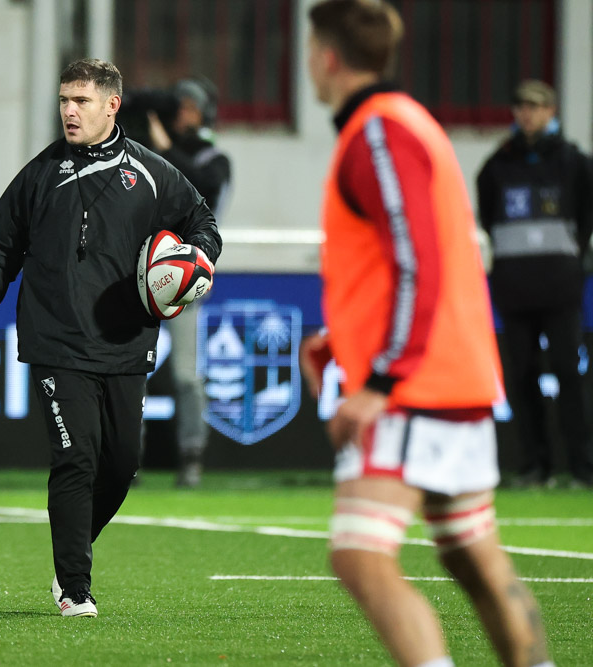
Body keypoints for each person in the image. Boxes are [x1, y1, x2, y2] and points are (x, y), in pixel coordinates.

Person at [300, 2, 552, 665]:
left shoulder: (377, 132)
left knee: (358, 553)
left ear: (325, 57)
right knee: (473, 555)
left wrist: (380, 378)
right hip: (455, 373)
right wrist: (341, 337)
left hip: (413, 385)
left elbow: (419, 257)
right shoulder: (403, 123)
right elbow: (403, 260)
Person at [0, 58, 221, 618]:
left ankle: (68, 554)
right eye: (64, 101)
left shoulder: (152, 173)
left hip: (125, 340)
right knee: (76, 457)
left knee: (121, 464)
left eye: (81, 101)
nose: (69, 111)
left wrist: (193, 269)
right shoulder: (38, 176)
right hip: (56, 342)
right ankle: (75, 586)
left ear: (111, 105)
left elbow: (205, 225)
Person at [476, 80, 593, 489]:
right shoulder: (497, 166)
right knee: (522, 376)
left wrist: (572, 259)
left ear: (551, 112)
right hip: (514, 288)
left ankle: (581, 468)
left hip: (560, 289)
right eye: (521, 106)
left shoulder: (575, 163)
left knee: (567, 373)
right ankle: (534, 466)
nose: (527, 113)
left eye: (536, 106)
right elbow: (489, 217)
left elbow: (586, 218)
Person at [144, 77, 233, 487]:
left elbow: (199, 184)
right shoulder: (146, 157)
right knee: (128, 371)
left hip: (185, 275)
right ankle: (125, 459)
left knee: (185, 374)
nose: (182, 116)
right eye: (178, 108)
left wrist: (163, 147)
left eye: (189, 108)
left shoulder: (215, 159)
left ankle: (191, 458)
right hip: (142, 272)